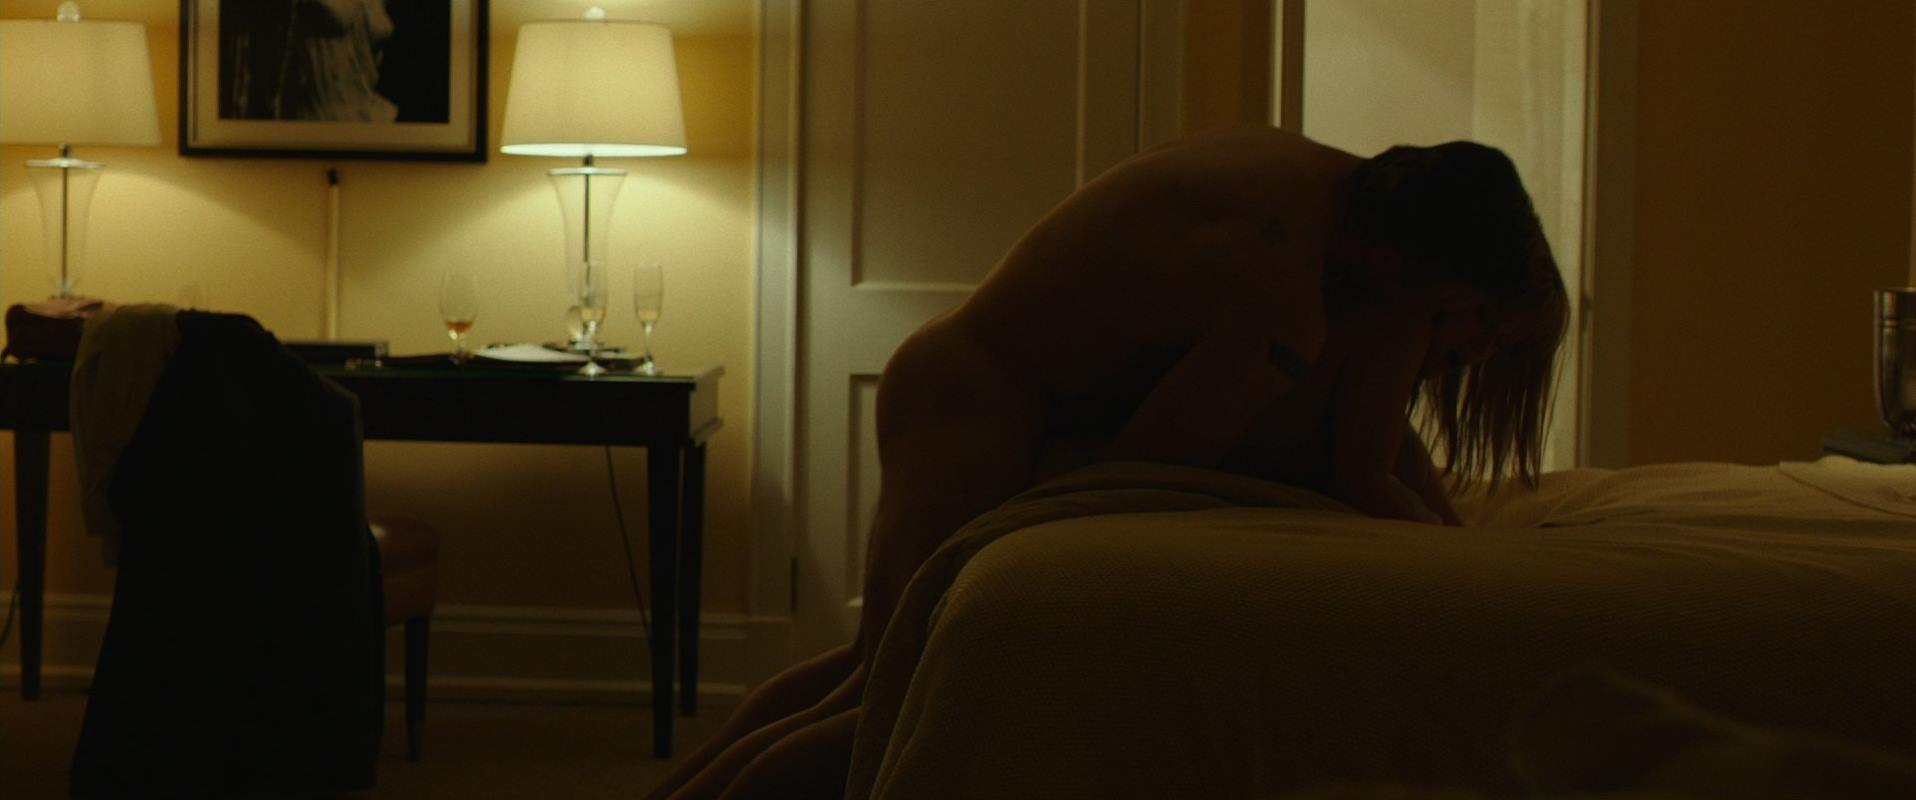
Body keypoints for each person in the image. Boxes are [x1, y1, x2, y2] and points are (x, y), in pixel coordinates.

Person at [648, 126, 1570, 800]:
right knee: (885, 694)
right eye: (1456, 315)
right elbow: (1144, 472)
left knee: (866, 664)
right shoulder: (1282, 290)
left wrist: (1444, 520)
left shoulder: (1313, 177)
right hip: (973, 402)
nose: (1456, 342)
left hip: (964, 382)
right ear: (1410, 265)